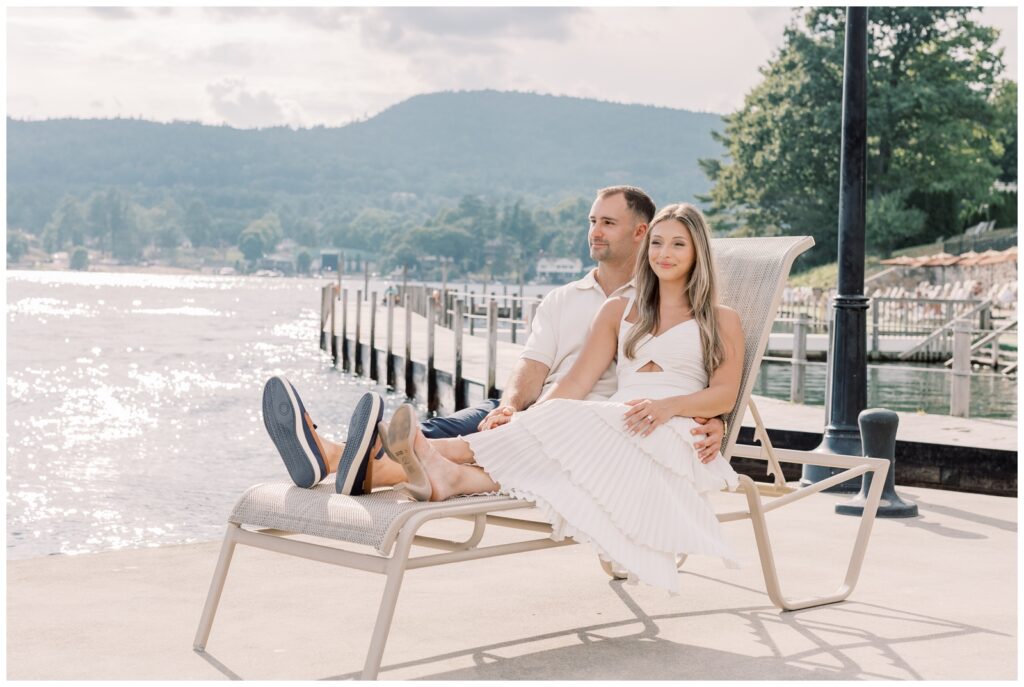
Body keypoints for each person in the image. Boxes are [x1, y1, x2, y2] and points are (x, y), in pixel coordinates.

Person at [262, 186, 726, 496]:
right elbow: (533, 365)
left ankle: (332, 454)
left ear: (639, 232)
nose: (594, 231)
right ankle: (351, 456)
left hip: (584, 423)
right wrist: (509, 407)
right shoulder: (566, 299)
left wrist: (712, 417)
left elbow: (690, 371)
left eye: (607, 222)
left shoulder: (646, 307)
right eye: (592, 221)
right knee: (453, 424)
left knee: (443, 439)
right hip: (530, 410)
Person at [379, 202, 743, 592]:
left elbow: (724, 393)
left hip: (674, 428)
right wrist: (520, 416)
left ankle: (431, 449)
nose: (663, 254)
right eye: (656, 243)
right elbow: (574, 383)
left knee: (583, 420)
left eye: (677, 245)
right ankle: (451, 476)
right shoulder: (619, 309)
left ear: (697, 252)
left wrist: (669, 407)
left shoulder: (720, 318)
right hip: (619, 420)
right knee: (570, 417)